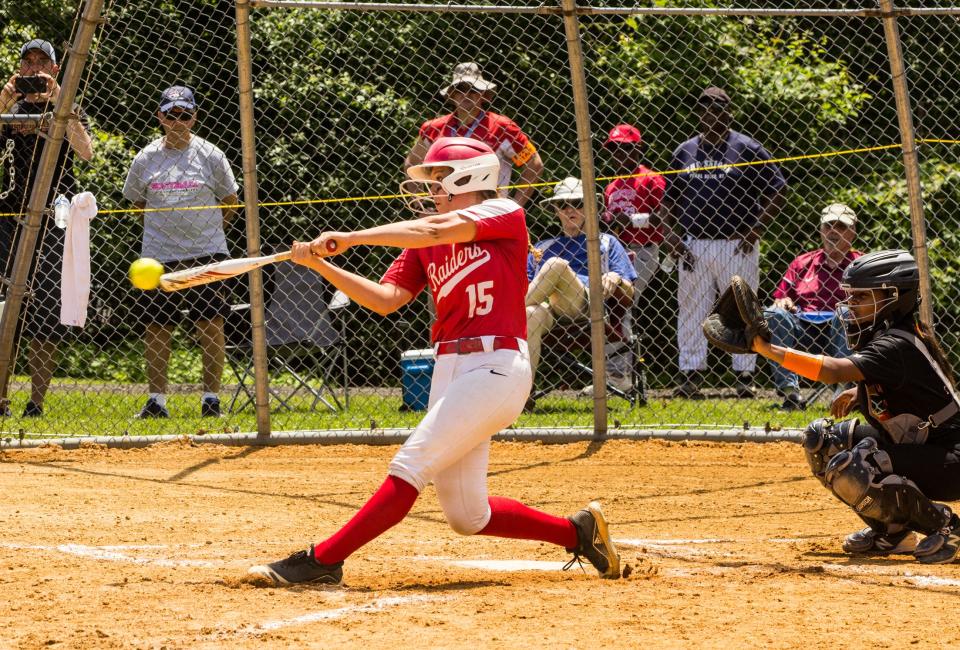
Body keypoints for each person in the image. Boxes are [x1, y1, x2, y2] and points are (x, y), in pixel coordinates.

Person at [249, 137, 620, 585]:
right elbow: (387, 299)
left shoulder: (504, 214)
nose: (432, 191)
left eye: (440, 180)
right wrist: (322, 266)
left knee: (411, 463)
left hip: (496, 364)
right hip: (450, 369)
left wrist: (350, 239)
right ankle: (577, 532)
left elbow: (432, 230)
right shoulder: (429, 236)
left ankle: (323, 560)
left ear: (472, 177)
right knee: (467, 514)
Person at [752, 250, 960, 564]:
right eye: (851, 296)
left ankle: (947, 527)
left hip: (951, 461)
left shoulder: (896, 343)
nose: (851, 305)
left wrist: (765, 349)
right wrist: (858, 389)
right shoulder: (888, 338)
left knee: (860, 463)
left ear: (894, 298)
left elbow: (832, 370)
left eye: (862, 297)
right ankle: (893, 533)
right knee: (823, 440)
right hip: (921, 445)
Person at [655, 86, 786, 399]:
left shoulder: (747, 148)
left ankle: (744, 376)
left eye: (717, 108)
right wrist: (671, 237)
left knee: (743, 309)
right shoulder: (684, 151)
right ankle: (690, 375)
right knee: (691, 308)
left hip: (736, 242)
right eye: (704, 108)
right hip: (693, 245)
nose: (710, 113)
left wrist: (755, 229)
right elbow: (666, 202)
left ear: (729, 112)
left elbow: (778, 190)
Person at [122, 85, 238, 418]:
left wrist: (209, 231)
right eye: (171, 115)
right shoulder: (146, 157)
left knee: (210, 325)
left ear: (194, 117)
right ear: (160, 117)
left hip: (208, 251)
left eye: (184, 115)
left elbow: (230, 202)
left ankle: (211, 400)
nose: (177, 121)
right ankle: (157, 401)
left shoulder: (211, 155)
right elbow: (138, 203)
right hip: (159, 256)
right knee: (158, 327)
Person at [0, 39, 93, 417]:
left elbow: (86, 151)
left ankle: (36, 402)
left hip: (56, 220)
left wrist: (60, 102)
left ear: (55, 70)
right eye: (28, 61)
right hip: (10, 216)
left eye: (43, 62)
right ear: (19, 69)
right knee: (5, 311)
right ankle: (0, 398)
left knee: (46, 314)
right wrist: (4, 100)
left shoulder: (66, 107)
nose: (34, 68)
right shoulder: (10, 108)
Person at [526, 177, 637, 390]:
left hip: (588, 309)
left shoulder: (606, 242)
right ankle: (522, 394)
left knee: (557, 265)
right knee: (530, 314)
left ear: (589, 207)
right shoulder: (542, 247)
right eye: (563, 205)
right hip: (549, 311)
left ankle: (506, 318)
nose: (570, 210)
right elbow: (529, 287)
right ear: (555, 210)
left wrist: (616, 278)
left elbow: (630, 293)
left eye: (577, 203)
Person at [404, 62, 543, 208]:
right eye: (460, 89)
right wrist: (421, 205)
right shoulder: (432, 129)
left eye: (473, 89)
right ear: (451, 94)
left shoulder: (503, 128)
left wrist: (515, 205)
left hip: (489, 213)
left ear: (484, 94)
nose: (466, 94)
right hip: (445, 213)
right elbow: (412, 163)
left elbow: (534, 164)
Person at [765, 203, 862, 410]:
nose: (833, 232)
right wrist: (783, 302)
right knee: (773, 314)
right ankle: (791, 394)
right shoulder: (802, 263)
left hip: (844, 330)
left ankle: (841, 391)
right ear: (820, 230)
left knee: (844, 312)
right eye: (828, 226)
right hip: (804, 329)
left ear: (852, 232)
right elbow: (780, 297)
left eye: (840, 227)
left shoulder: (861, 264)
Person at [601, 123, 666, 301]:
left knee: (624, 302)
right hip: (615, 251)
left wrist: (631, 220)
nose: (619, 153)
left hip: (642, 250)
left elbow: (665, 217)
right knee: (612, 303)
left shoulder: (651, 179)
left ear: (637, 148)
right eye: (613, 148)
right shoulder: (611, 187)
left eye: (625, 147)